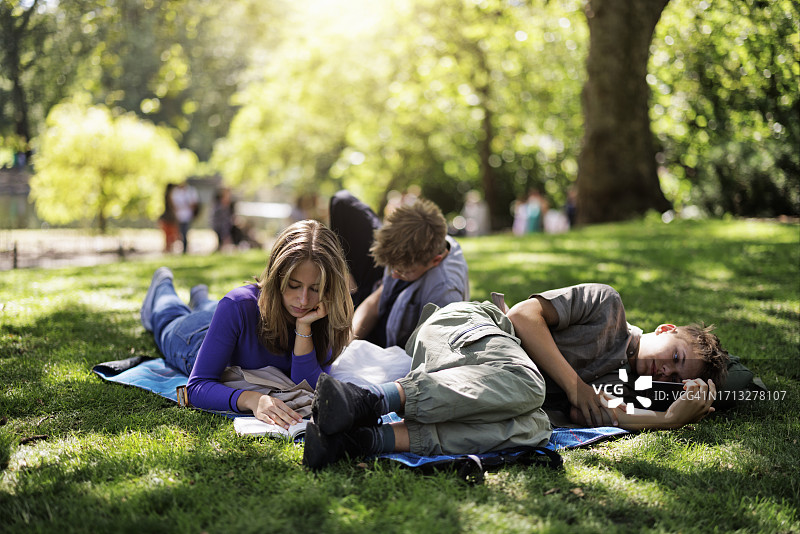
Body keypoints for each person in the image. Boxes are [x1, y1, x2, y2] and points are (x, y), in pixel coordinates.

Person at [302, 284, 728, 469]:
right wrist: (575, 386)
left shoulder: (623, 384)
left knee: (534, 429)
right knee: (531, 388)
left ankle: (357, 440)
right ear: (666, 330)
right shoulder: (607, 307)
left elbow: (606, 415)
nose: (665, 370)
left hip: (467, 385)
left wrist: (671, 418)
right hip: (466, 330)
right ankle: (367, 400)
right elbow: (525, 313)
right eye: (675, 356)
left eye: (674, 376)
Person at [139, 220, 354, 428]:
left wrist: (303, 329)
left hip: (225, 321)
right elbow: (196, 387)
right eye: (294, 285)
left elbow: (306, 387)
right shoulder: (237, 305)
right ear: (276, 278)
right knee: (168, 313)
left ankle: (201, 298)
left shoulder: (324, 315)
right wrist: (253, 399)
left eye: (315, 289)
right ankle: (163, 283)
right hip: (195, 339)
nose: (304, 300)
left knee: (210, 308)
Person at [330, 190, 470, 349]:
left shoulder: (444, 293)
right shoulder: (419, 244)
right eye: (392, 268)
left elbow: (431, 354)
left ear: (435, 261)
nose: (394, 274)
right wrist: (345, 345)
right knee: (342, 202)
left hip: (393, 348)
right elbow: (376, 300)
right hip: (385, 310)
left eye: (403, 272)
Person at [170, 180, 199, 254]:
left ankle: (185, 247)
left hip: (188, 215)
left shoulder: (191, 191)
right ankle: (182, 246)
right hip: (179, 215)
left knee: (185, 231)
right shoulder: (176, 192)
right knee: (180, 232)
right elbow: (174, 204)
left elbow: (194, 203)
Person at [158, 183, 179, 253]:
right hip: (169, 219)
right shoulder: (170, 197)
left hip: (166, 218)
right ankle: (168, 250)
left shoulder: (167, 196)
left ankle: (168, 250)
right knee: (170, 236)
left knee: (169, 237)